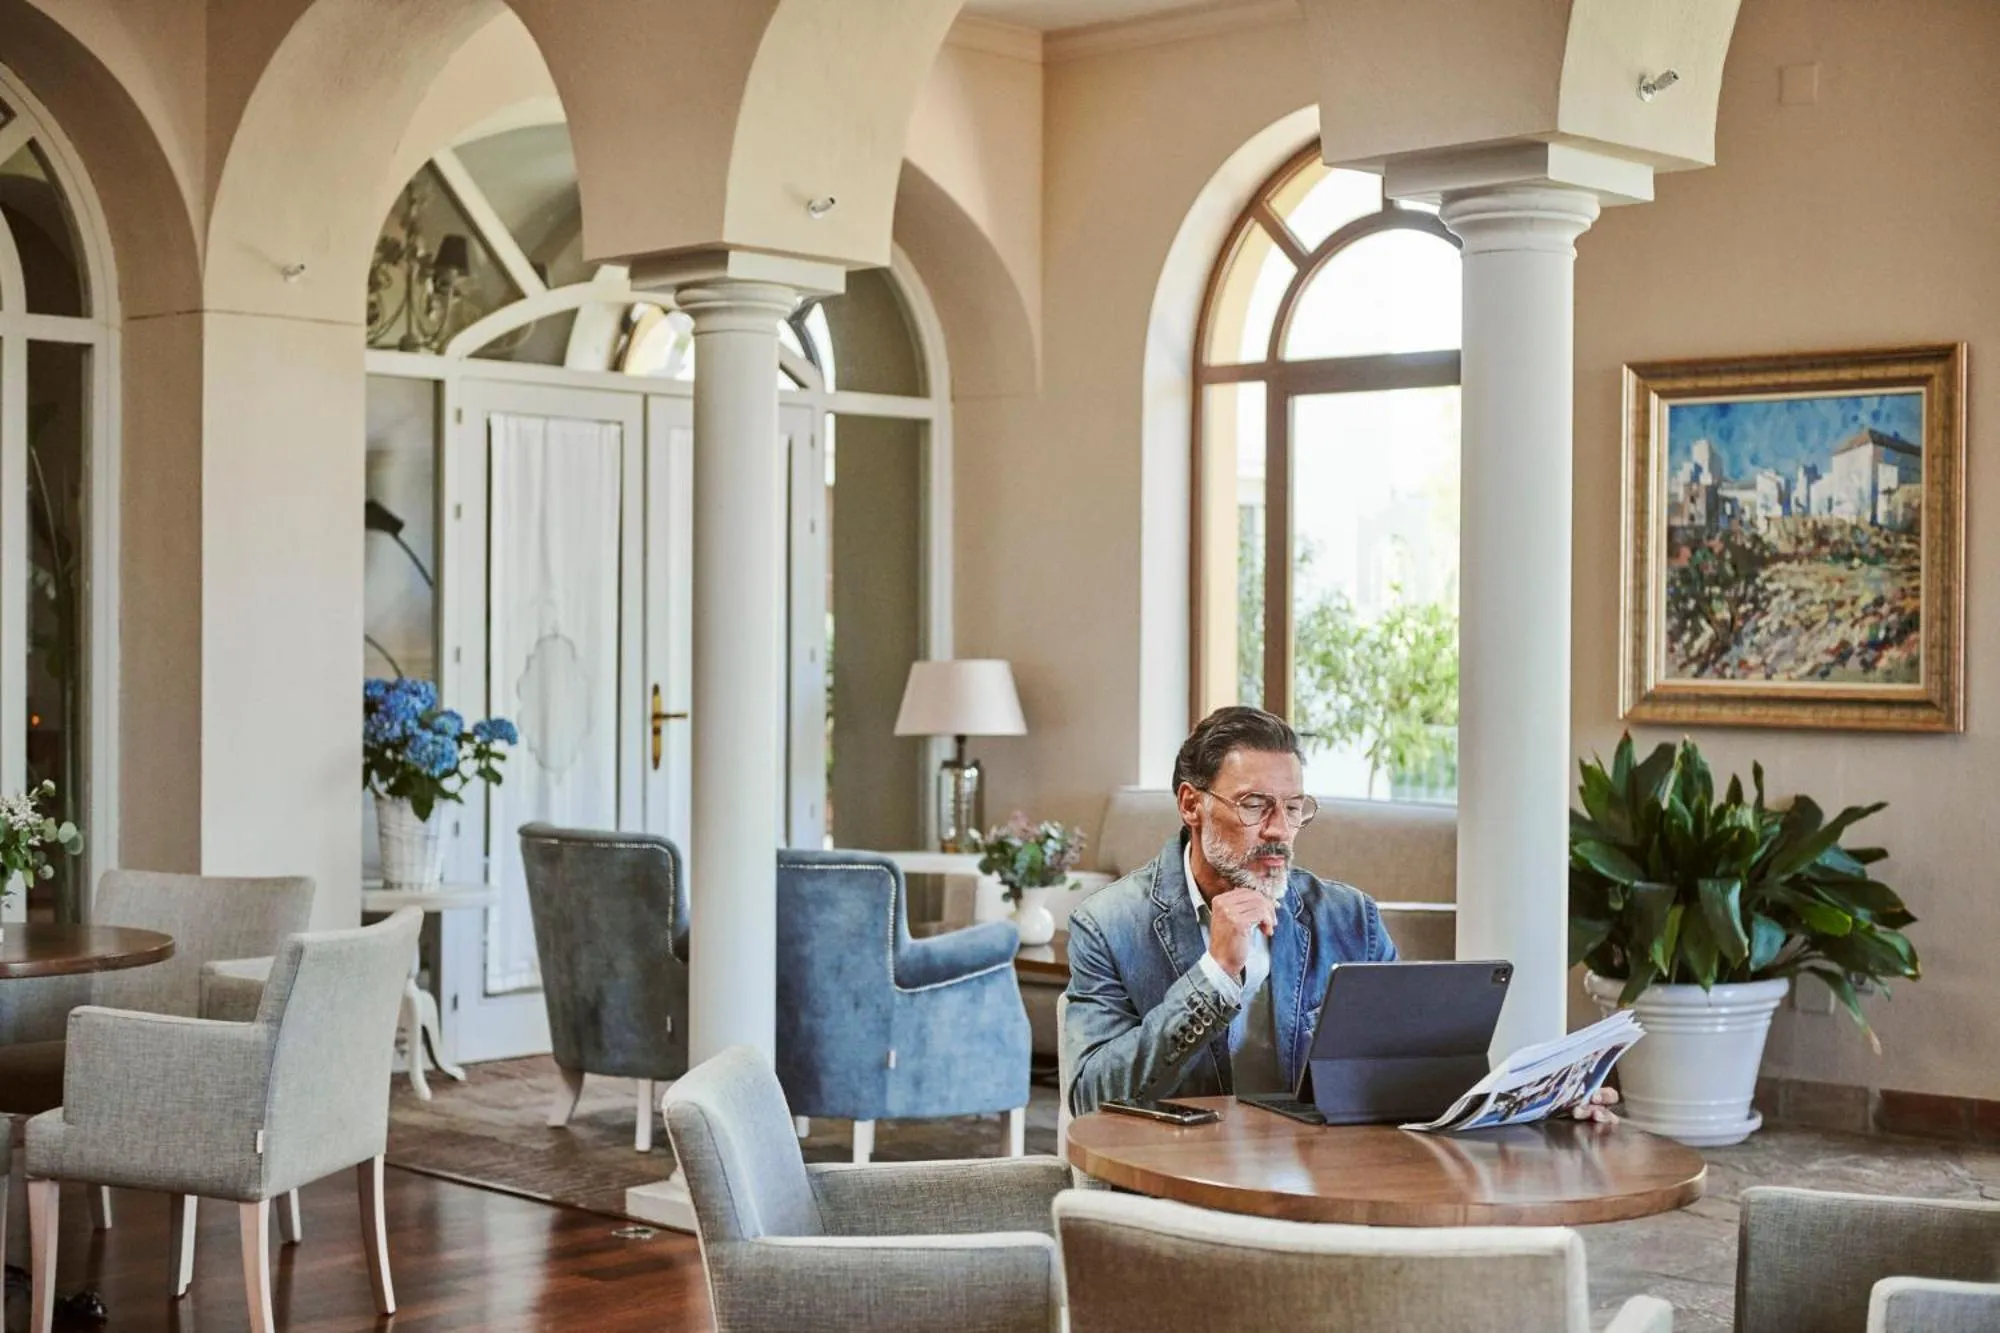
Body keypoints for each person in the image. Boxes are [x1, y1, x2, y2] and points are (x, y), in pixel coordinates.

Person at [1061, 705, 1621, 1126]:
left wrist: (1537, 1103)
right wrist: (1213, 976)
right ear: (1191, 804)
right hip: (1179, 1179)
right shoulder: (1109, 925)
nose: (1279, 829)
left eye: (1294, 807)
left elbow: (1407, 1070)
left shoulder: (1349, 918)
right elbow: (1090, 1098)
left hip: (1315, 1176)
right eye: (1255, 805)